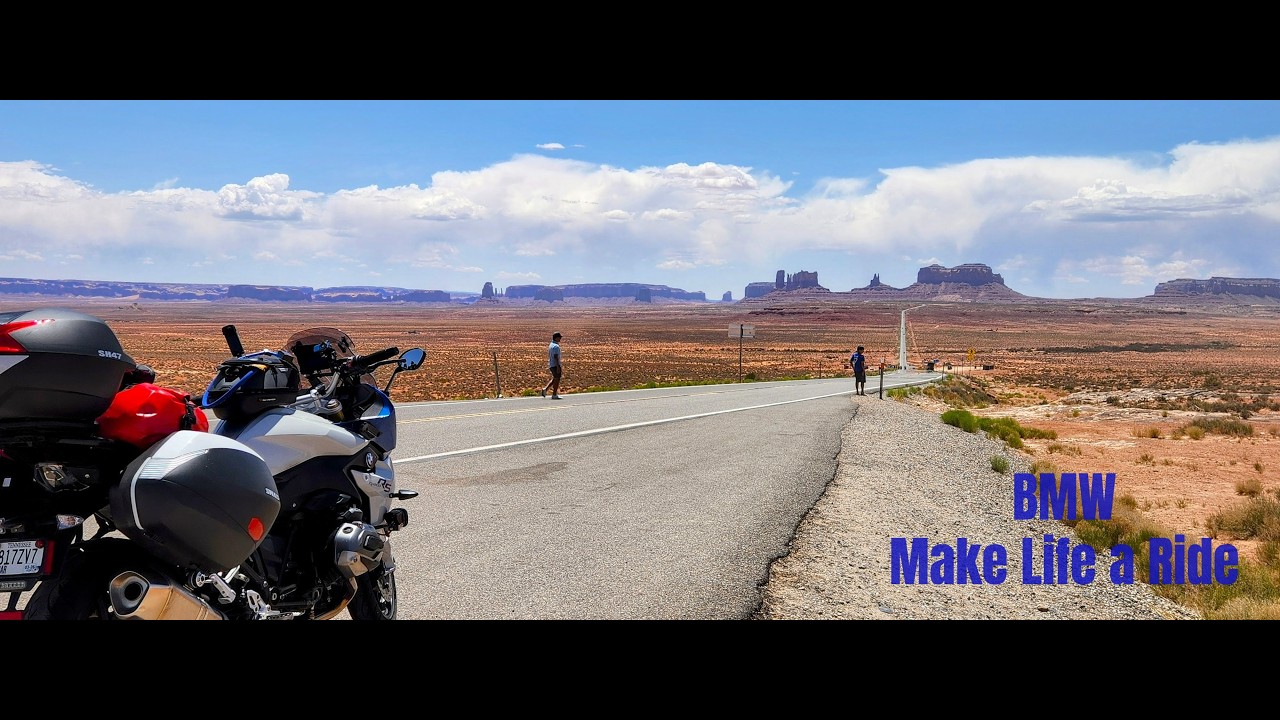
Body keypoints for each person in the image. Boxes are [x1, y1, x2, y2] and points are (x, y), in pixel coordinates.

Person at [541, 332, 563, 399]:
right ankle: (554, 394)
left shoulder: (551, 344)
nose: (560, 339)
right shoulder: (556, 346)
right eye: (559, 337)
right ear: (556, 338)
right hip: (555, 365)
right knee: (557, 379)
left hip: (551, 364)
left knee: (555, 378)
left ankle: (545, 389)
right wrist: (558, 366)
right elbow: (556, 357)